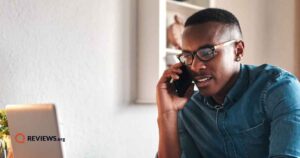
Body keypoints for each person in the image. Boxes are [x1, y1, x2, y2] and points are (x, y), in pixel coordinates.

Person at [156, 8, 300, 158]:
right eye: (187, 56)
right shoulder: (189, 109)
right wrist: (167, 114)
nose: (195, 66)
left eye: (207, 52)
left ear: (238, 51)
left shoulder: (279, 90)